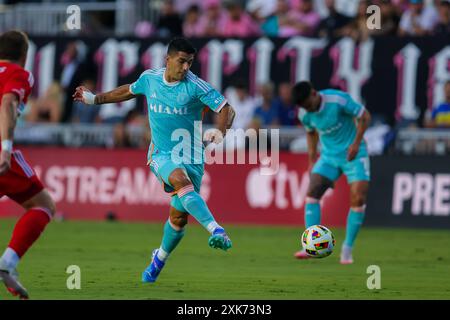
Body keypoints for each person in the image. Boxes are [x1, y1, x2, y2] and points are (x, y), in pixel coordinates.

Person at [73, 37, 236, 283]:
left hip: (192, 157)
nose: (185, 68)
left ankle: (159, 258)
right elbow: (127, 91)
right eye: (181, 62)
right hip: (161, 154)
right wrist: (94, 99)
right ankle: (217, 230)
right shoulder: (150, 79)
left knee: (178, 219)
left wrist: (220, 132)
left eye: (190, 63)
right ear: (167, 59)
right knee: (179, 181)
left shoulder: (196, 86)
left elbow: (226, 109)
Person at [0, 30, 56, 299]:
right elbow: (8, 102)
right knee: (43, 205)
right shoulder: (20, 74)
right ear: (24, 55)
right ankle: (6, 264)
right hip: (0, 153)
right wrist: (6, 147)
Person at [291, 81, 371, 264]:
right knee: (312, 193)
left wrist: (356, 143)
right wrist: (312, 160)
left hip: (354, 154)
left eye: (308, 105)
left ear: (313, 93)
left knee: (358, 199)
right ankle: (311, 246)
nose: (308, 110)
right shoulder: (304, 113)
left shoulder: (338, 100)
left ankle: (347, 249)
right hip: (329, 156)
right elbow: (311, 133)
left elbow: (365, 116)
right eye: (304, 107)